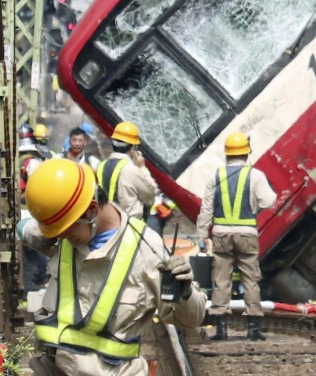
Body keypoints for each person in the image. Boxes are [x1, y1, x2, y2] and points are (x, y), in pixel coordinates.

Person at [19, 158, 205, 375]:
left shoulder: (146, 249)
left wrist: (186, 292)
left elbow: (190, 319)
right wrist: (28, 229)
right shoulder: (63, 233)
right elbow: (26, 229)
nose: (63, 237)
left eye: (67, 230)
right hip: (55, 368)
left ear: (91, 210)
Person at [196, 132, 277, 341]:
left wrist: (202, 234)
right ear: (246, 153)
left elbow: (206, 209)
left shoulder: (216, 176)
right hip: (247, 235)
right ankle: (253, 329)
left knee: (221, 281)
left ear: (227, 154)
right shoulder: (256, 175)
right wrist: (254, 206)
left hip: (221, 235)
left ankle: (221, 330)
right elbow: (269, 201)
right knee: (250, 279)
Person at [95, 121, 158, 220]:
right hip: (129, 228)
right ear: (132, 148)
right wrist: (142, 167)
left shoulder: (100, 167)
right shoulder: (131, 170)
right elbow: (150, 196)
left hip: (105, 225)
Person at [17, 124, 51, 293]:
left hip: (17, 211)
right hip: (29, 212)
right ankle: (32, 286)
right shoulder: (33, 162)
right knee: (35, 251)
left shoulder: (14, 160)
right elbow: (41, 186)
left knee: (25, 253)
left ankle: (27, 286)